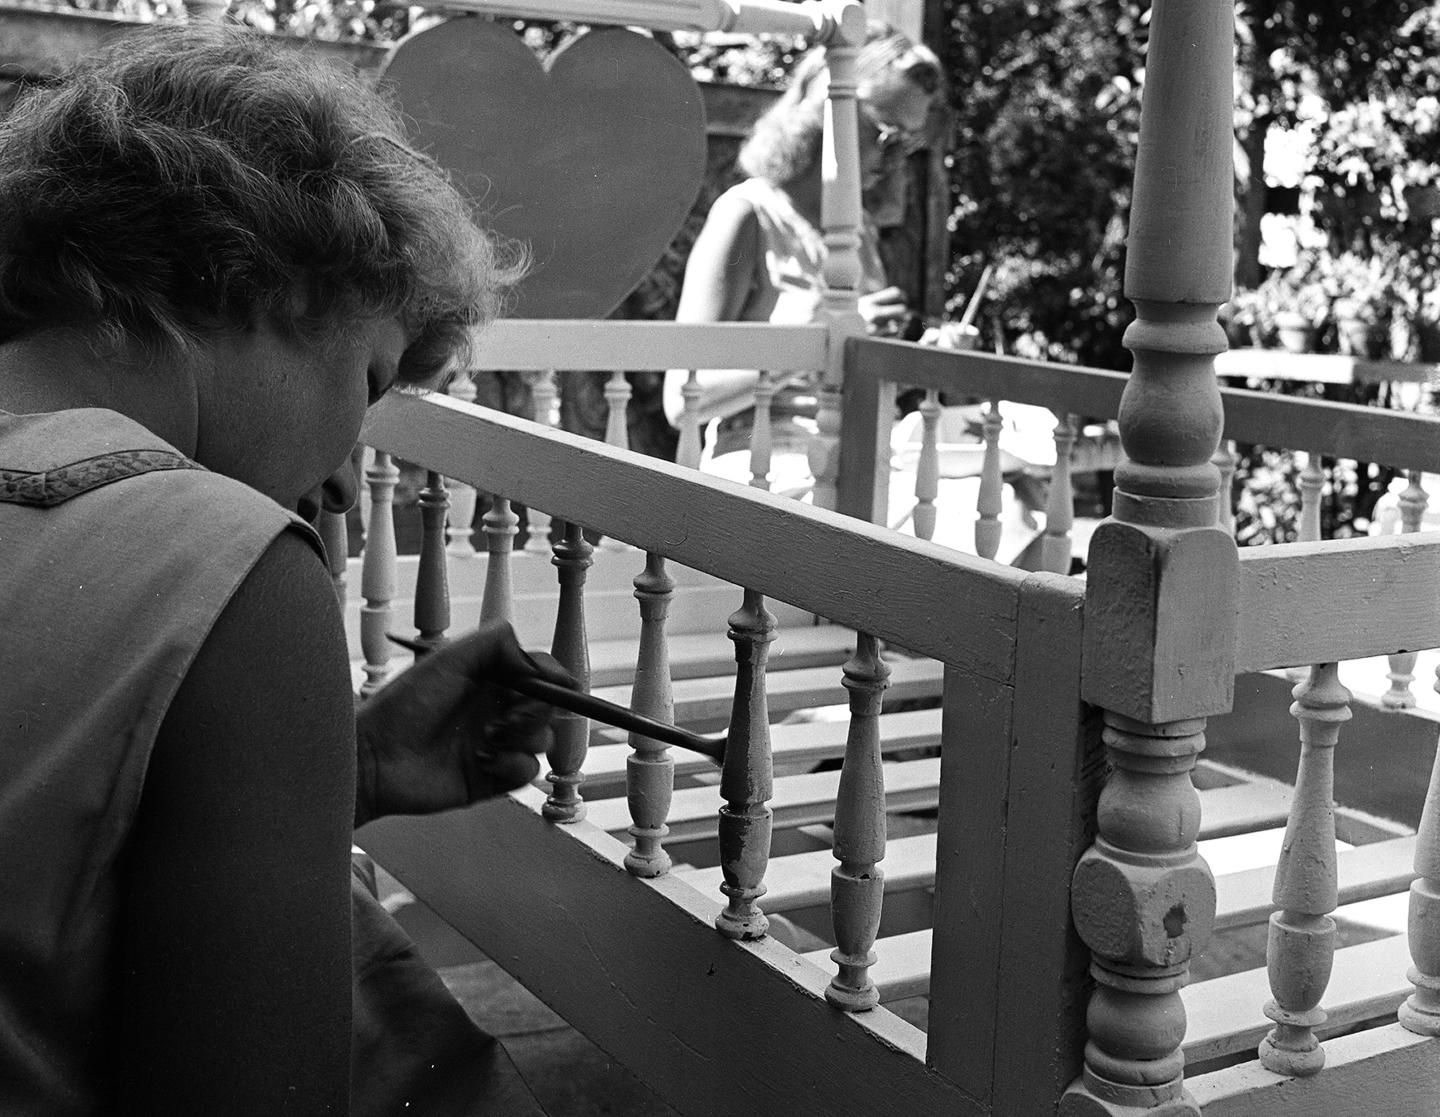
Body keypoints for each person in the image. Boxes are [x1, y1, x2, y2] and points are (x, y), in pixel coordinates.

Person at [0, 25, 573, 1115]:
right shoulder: (229, 569)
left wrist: (335, 770)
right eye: (368, 382)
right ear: (264, 281)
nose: (348, 484)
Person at [663, 23, 943, 495]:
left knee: (1018, 503)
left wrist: (919, 357)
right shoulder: (748, 214)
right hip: (767, 464)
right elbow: (682, 401)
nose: (897, 159)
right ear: (825, 107)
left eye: (909, 144)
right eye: (886, 134)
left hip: (867, 457)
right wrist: (809, 343)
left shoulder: (859, 233)